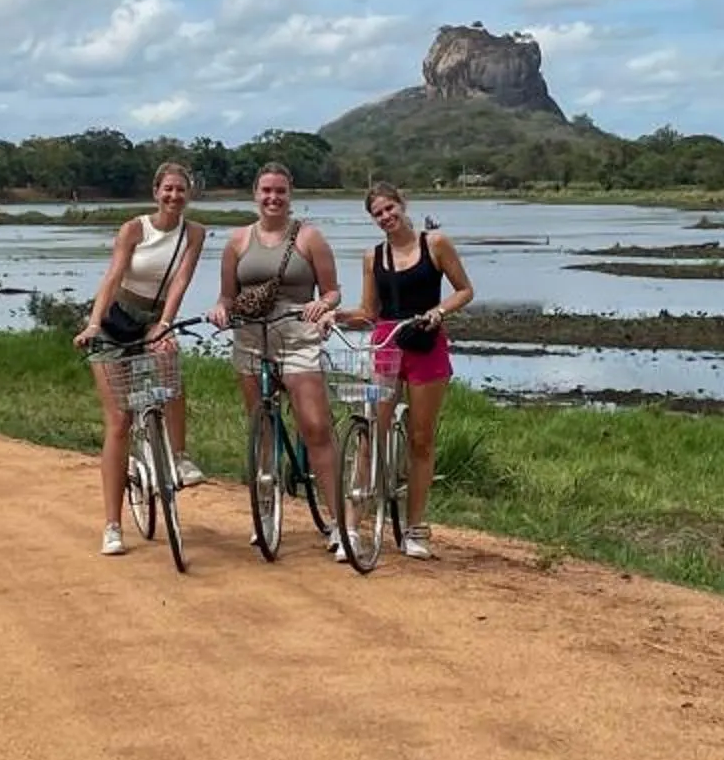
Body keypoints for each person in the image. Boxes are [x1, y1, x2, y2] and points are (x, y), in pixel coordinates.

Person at [205, 161, 344, 555]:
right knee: (261, 431)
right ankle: (265, 512)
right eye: (266, 191)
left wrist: (323, 304)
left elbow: (333, 291)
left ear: (290, 194)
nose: (273, 198)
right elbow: (227, 296)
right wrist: (220, 310)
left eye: (280, 191)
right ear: (255, 194)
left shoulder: (309, 238)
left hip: (298, 337)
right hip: (251, 338)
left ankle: (340, 523)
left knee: (316, 427)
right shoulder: (236, 241)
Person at [74, 160, 209, 556]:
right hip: (116, 321)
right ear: (156, 192)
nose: (173, 196)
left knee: (172, 373)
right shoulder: (135, 229)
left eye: (181, 190)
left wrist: (164, 324)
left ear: (189, 194)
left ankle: (180, 457)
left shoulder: (195, 234)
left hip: (154, 320)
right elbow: (113, 277)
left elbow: (181, 282)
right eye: (167, 189)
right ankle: (112, 525)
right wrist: (94, 324)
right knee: (119, 420)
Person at [345, 179, 474, 559]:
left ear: (403, 205)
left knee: (421, 439)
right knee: (371, 433)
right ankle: (351, 527)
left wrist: (440, 311)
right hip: (387, 344)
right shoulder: (373, 257)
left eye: (390, 208)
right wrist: (335, 314)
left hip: (425, 343)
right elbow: (369, 311)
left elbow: (464, 289)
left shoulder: (434, 244)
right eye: (377, 213)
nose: (386, 217)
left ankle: (415, 528)